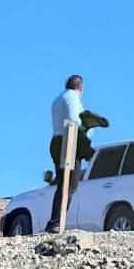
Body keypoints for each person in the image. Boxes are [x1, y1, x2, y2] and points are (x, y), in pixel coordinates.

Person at [47, 74, 85, 233]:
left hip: (57, 140)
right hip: (67, 141)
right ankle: (56, 222)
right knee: (71, 183)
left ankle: (55, 221)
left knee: (64, 183)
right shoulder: (72, 98)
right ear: (81, 88)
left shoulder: (58, 99)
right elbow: (74, 120)